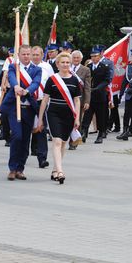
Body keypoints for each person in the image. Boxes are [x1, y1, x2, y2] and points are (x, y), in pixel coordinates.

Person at [35, 52, 81, 185]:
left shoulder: (74, 80)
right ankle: (60, 171)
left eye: (68, 62)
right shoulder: (52, 79)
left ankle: (55, 169)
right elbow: (45, 100)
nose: (65, 65)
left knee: (63, 143)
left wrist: (77, 118)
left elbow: (77, 100)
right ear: (57, 64)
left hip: (69, 115)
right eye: (63, 62)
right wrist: (40, 118)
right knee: (56, 141)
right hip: (54, 113)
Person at [1, 45, 42, 181]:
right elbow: (12, 78)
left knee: (25, 140)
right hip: (14, 108)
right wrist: (16, 86)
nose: (26, 56)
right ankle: (12, 168)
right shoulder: (14, 67)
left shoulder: (37, 69)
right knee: (17, 136)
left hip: (29, 108)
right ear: (18, 55)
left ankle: (20, 169)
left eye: (28, 54)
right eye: (23, 54)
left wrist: (27, 91)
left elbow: (36, 83)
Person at [81, 46, 112, 144]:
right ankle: (84, 132)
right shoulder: (88, 67)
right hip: (89, 96)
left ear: (100, 56)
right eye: (92, 56)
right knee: (87, 116)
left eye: (96, 56)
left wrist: (97, 88)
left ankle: (100, 135)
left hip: (100, 96)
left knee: (101, 117)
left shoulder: (104, 67)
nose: (94, 58)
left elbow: (107, 80)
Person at [30, 45, 54, 167]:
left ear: (42, 55)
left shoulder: (47, 67)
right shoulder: (26, 68)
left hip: (41, 102)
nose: (35, 57)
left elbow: (51, 83)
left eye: (37, 55)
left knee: (41, 129)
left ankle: (42, 158)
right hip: (28, 101)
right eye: (33, 55)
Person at [68, 50, 91, 150]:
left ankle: (74, 142)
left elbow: (87, 87)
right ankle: (66, 139)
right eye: (74, 58)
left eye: (78, 58)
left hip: (80, 99)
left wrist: (87, 101)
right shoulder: (66, 68)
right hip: (67, 98)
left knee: (77, 120)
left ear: (81, 59)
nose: (76, 59)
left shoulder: (86, 70)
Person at [0, 47, 15, 144]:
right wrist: (3, 84)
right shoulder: (9, 60)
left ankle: (13, 136)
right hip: (9, 90)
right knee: (4, 113)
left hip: (19, 91)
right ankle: (5, 133)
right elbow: (5, 73)